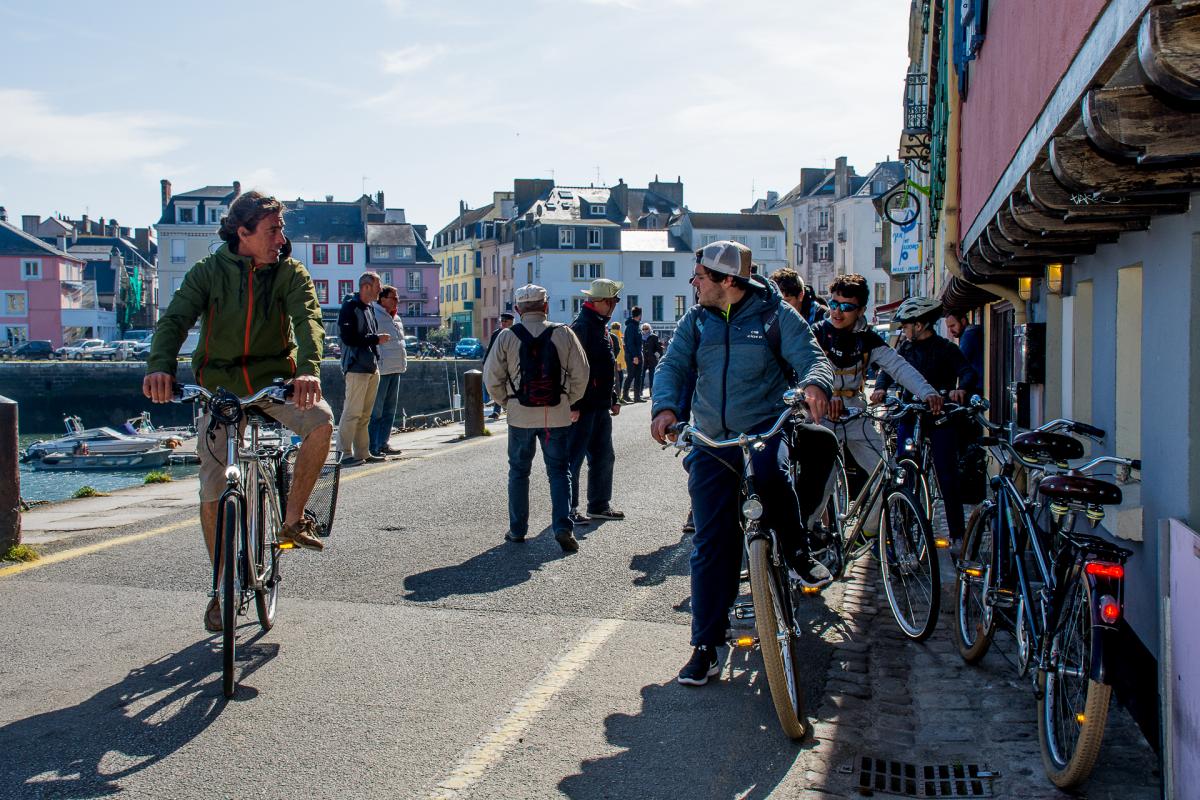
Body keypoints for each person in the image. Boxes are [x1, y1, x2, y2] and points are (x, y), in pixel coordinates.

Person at [143, 190, 332, 632]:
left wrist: (307, 371)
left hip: (275, 383)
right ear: (242, 233)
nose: (281, 239)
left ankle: (292, 520)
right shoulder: (208, 273)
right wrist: (160, 367)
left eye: (281, 229)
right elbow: (175, 320)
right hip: (221, 389)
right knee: (213, 486)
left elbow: (309, 322)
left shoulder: (289, 273)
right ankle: (223, 585)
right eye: (272, 230)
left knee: (322, 423)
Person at [651, 240, 835, 686]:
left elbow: (812, 356)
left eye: (700, 277)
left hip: (764, 429)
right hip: (713, 439)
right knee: (711, 543)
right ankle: (706, 645)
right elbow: (672, 367)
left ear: (728, 280)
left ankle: (797, 553)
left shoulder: (775, 315)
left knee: (773, 475)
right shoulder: (696, 321)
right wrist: (665, 408)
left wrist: (815, 384)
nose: (694, 283)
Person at [809, 274, 941, 530]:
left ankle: (867, 532)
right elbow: (802, 369)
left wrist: (928, 393)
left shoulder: (868, 339)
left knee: (887, 473)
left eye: (846, 307)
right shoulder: (816, 334)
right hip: (820, 415)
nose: (837, 312)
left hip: (855, 415)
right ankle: (807, 539)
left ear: (860, 310)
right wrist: (824, 395)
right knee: (820, 483)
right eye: (833, 304)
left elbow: (899, 367)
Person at [484, 284, 589, 552]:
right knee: (559, 471)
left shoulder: (507, 336)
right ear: (546, 306)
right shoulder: (564, 333)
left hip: (520, 415)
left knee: (519, 471)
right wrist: (568, 400)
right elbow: (581, 373)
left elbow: (491, 377)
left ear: (518, 309)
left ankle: (518, 529)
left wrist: (507, 402)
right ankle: (563, 527)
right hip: (557, 415)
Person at [873, 296, 980, 545]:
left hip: (938, 417)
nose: (903, 330)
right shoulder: (905, 349)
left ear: (919, 325)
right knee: (903, 467)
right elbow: (888, 371)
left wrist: (960, 389)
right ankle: (903, 522)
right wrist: (880, 388)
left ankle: (956, 535)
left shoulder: (946, 349)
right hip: (910, 414)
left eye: (906, 325)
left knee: (947, 474)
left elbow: (967, 372)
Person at [567, 278, 625, 527]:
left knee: (603, 456)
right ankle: (569, 509)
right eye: (613, 301)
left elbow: (604, 368)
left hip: (598, 405)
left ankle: (599, 505)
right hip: (583, 407)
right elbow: (573, 369)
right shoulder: (582, 327)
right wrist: (574, 405)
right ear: (601, 302)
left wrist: (612, 398)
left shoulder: (599, 325)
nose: (615, 305)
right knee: (573, 459)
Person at [338, 271, 391, 466]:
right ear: (366, 286)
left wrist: (375, 342)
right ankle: (343, 454)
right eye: (378, 286)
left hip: (370, 366)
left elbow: (366, 335)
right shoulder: (350, 307)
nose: (380, 290)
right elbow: (348, 338)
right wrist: (376, 339)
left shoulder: (369, 308)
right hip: (356, 367)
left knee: (365, 415)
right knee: (352, 412)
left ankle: (362, 452)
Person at [368, 284, 406, 457]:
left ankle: (384, 442)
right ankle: (372, 445)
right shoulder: (374, 314)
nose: (397, 301)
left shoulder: (396, 317)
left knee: (390, 410)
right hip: (382, 369)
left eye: (397, 298)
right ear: (382, 299)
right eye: (394, 298)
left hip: (396, 368)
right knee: (376, 411)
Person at [483, 312, 514, 419]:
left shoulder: (515, 332)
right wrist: (485, 361)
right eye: (502, 321)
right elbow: (490, 348)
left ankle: (507, 409)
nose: (503, 323)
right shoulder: (496, 333)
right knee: (498, 385)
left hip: (511, 364)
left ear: (511, 322)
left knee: (510, 387)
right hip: (498, 364)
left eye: (506, 321)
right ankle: (496, 411)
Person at [944, 309, 983, 386]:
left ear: (963, 321)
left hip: (977, 385)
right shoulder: (974, 332)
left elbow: (958, 362)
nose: (951, 330)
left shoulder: (969, 335)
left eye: (953, 326)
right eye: (948, 327)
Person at [622, 306, 645, 402]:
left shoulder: (636, 326)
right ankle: (625, 395)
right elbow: (630, 343)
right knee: (631, 375)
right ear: (639, 315)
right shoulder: (631, 327)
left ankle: (637, 397)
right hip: (632, 355)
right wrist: (635, 356)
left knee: (638, 376)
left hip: (637, 354)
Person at [641, 322, 662, 395]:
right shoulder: (640, 337)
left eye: (646, 329)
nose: (644, 330)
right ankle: (639, 392)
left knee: (652, 377)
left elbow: (659, 349)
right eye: (643, 329)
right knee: (641, 376)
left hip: (652, 360)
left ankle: (652, 392)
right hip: (643, 360)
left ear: (649, 329)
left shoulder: (654, 337)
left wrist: (655, 355)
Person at [610, 321, 627, 398]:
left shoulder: (611, 334)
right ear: (619, 328)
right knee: (619, 378)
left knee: (617, 378)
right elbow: (619, 350)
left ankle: (617, 395)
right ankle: (618, 395)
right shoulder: (617, 335)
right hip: (618, 361)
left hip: (615, 360)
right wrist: (619, 362)